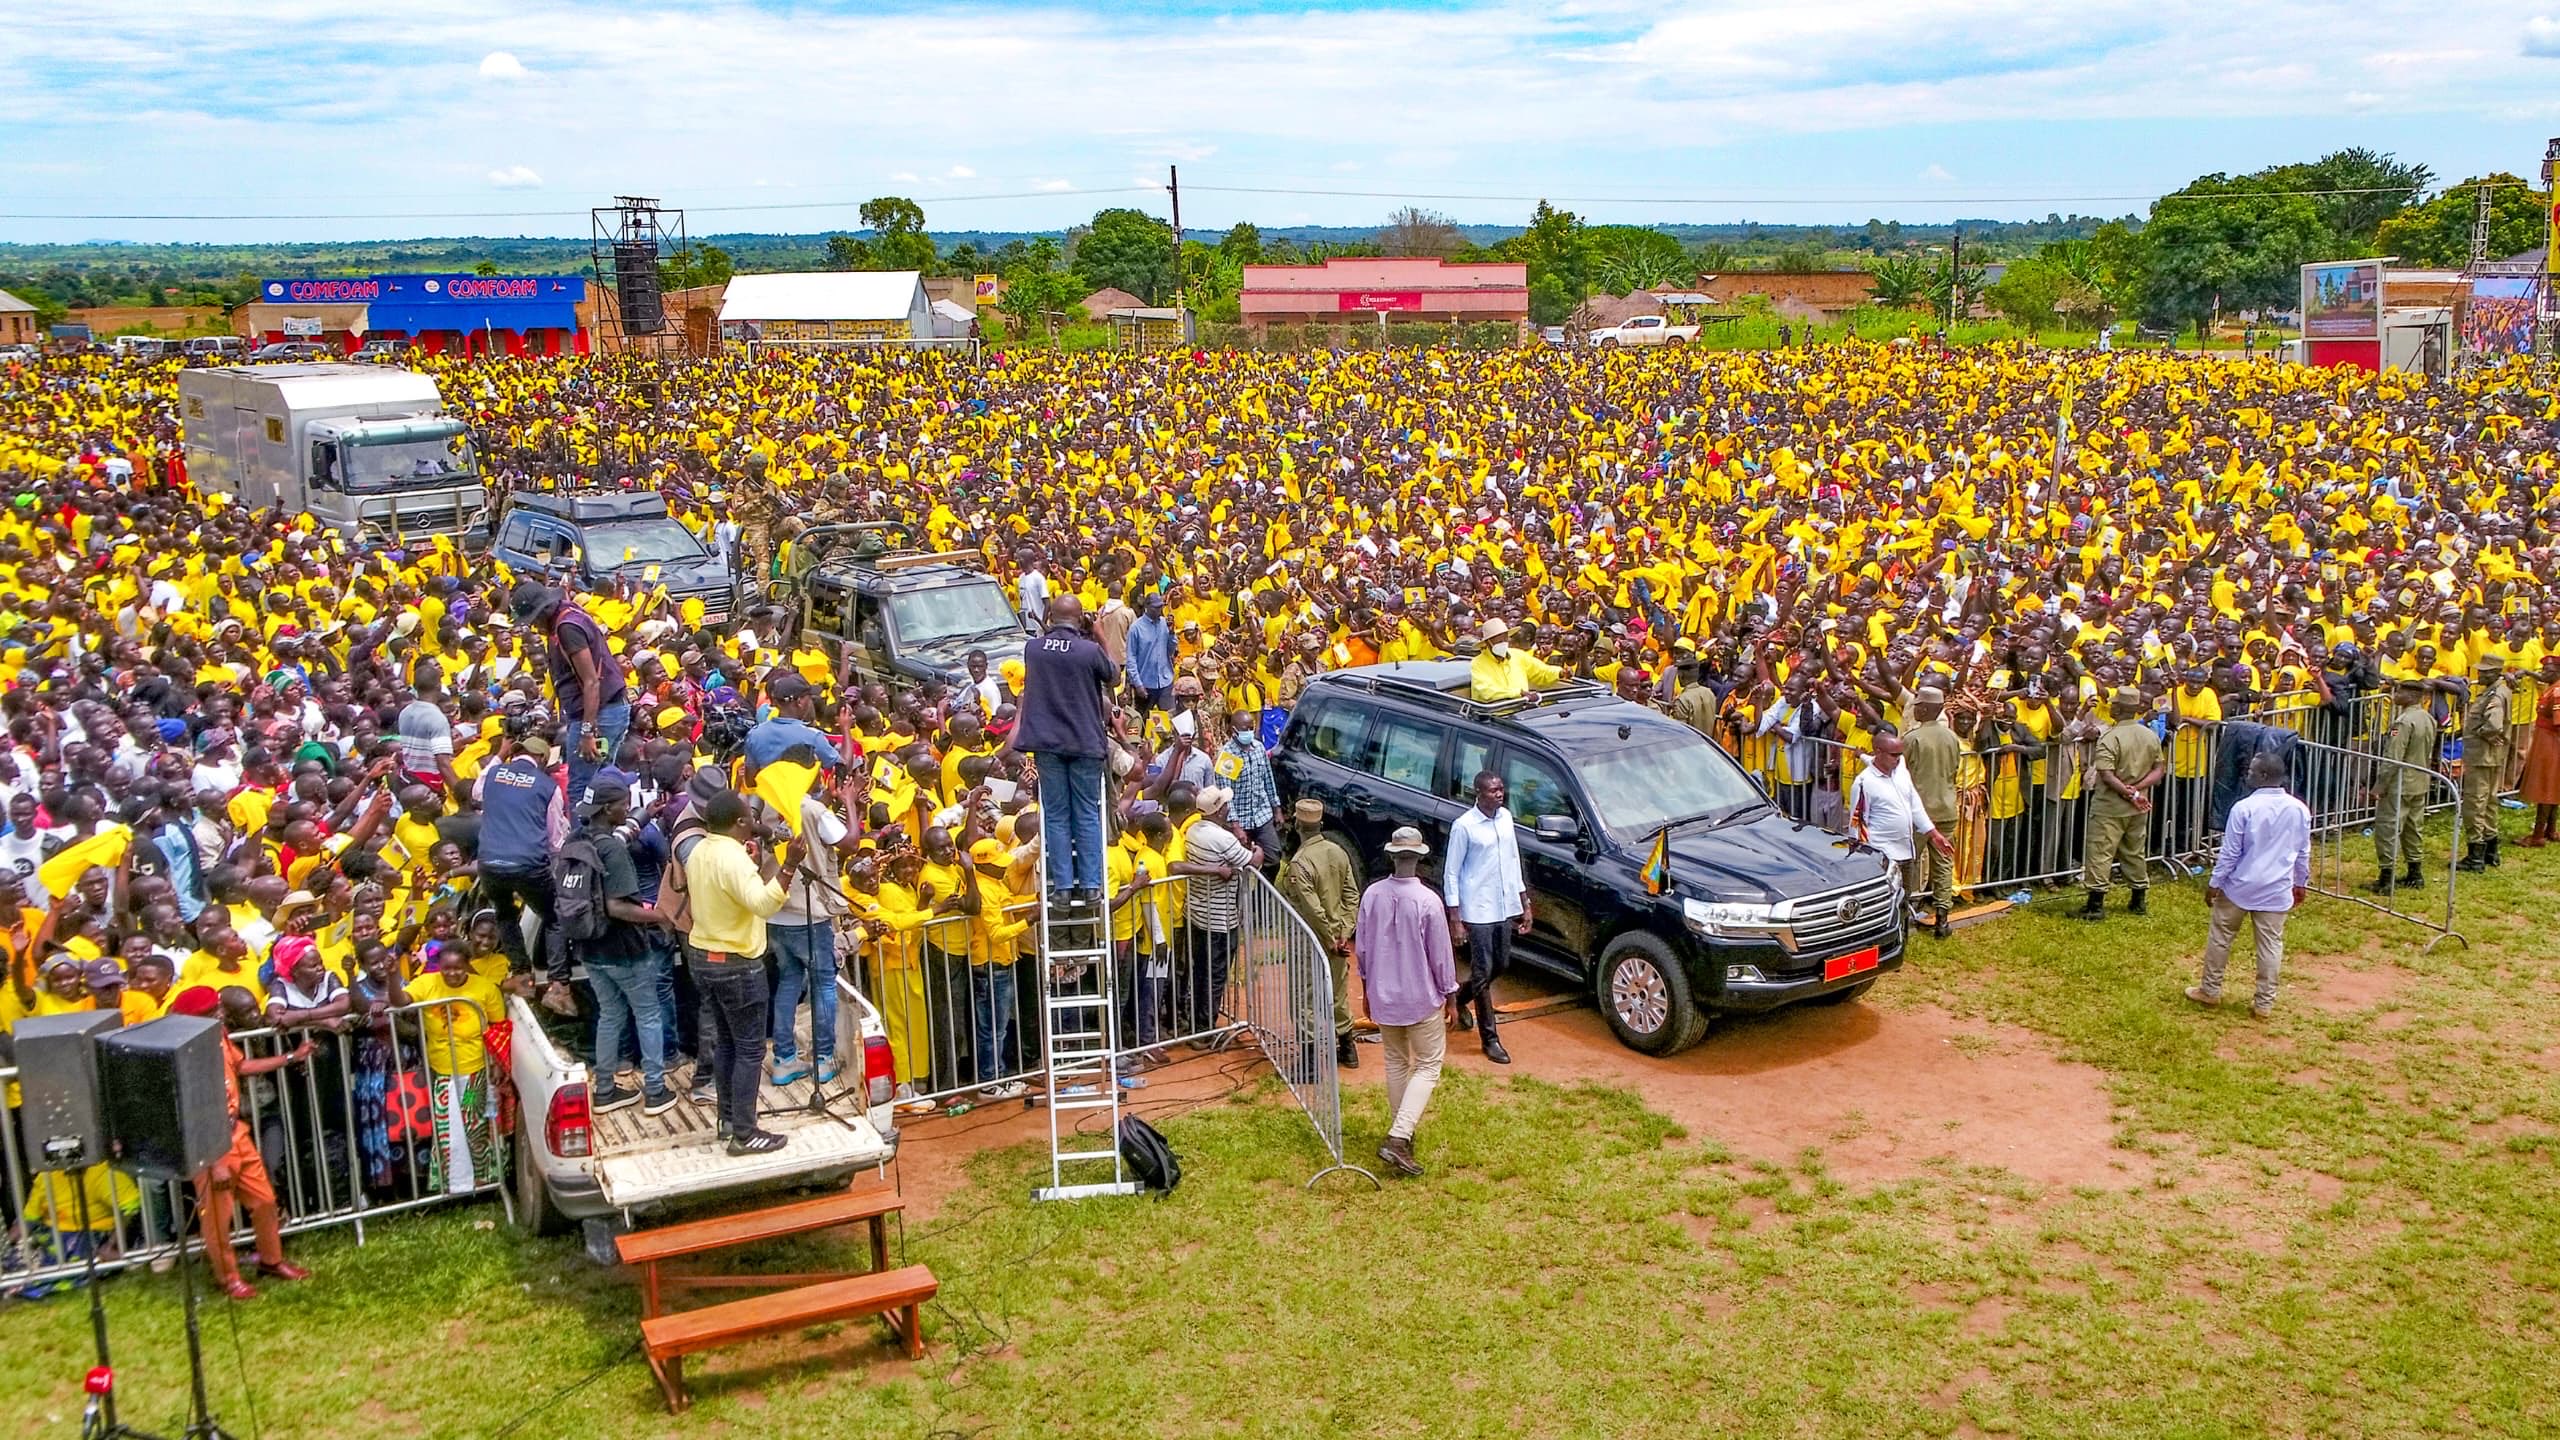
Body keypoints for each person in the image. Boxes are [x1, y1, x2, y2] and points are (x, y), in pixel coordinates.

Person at [167, 985, 312, 1300]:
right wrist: (215, 1162)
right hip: (210, 1144)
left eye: (218, 1008)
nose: (220, 1014)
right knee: (219, 1219)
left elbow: (241, 1066)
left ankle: (271, 1261)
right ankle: (227, 1278)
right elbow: (195, 1111)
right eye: (211, 1011)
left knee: (264, 1200)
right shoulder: (185, 1053)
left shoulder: (217, 1035)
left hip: (237, 1133)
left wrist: (289, 1057)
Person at [683, 788, 799, 1154]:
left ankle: (728, 1120)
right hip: (737, 964)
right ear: (738, 823)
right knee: (749, 1050)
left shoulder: (701, 849)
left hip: (704, 958)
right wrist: (790, 865)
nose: (755, 822)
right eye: (750, 817)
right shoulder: (732, 859)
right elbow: (763, 904)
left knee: (728, 1044)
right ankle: (746, 1134)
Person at [1356, 826, 1459, 1178]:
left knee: (1396, 1063)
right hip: (1420, 999)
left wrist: (1367, 988)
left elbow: (1363, 948)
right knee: (1429, 1065)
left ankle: (1403, 1133)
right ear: (1418, 858)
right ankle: (1399, 1136)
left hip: (1383, 994)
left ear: (1392, 856)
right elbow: (1441, 956)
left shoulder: (1372, 895)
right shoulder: (1428, 901)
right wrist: (1451, 995)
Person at [573, 777, 675, 1116]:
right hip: (624, 950)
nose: (625, 807)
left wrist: (642, 816)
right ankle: (656, 1091)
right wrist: (659, 916)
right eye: (623, 803)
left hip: (590, 949)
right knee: (648, 1014)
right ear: (608, 808)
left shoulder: (579, 838)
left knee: (610, 1015)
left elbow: (618, 835)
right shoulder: (614, 851)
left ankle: (604, 1090)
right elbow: (617, 907)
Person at [2187, 753, 2310, 1019]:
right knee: (2270, 945)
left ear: (2264, 776)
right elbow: (2303, 851)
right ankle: (2264, 1004)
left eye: (2252, 771)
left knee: (2221, 937)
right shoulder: (2299, 808)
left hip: (2239, 887)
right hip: (2277, 888)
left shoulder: (2244, 808)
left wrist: (2215, 882)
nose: (2247, 774)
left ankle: (2210, 990)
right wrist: (2301, 882)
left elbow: (2230, 853)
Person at [1015, 594, 1120, 904]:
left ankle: (1062, 888)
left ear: (1050, 617)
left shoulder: (1033, 649)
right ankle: (1090, 886)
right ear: (1080, 619)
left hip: (1047, 743)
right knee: (1087, 813)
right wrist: (1099, 633)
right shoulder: (1088, 651)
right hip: (1084, 742)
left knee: (1057, 815)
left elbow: (1054, 646)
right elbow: (1113, 674)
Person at [512, 579, 632, 803]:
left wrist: (587, 732)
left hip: (599, 713)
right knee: (603, 781)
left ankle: (584, 838)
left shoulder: (567, 628)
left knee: (581, 789)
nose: (535, 626)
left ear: (545, 611)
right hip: (610, 709)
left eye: (534, 619)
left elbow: (591, 682)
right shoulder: (568, 613)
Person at [1444, 770, 1531, 1063]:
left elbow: (1513, 861)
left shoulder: (1506, 818)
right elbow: (1452, 873)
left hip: (1503, 906)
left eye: (1501, 789)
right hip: (1477, 908)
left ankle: (1458, 997)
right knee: (1483, 971)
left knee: (1502, 963)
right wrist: (1455, 918)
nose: (1499, 794)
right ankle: (1490, 1038)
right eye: (1493, 790)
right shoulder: (1464, 827)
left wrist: (1524, 902)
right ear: (1478, 794)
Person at [1277, 797, 1360, 1067]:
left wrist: (1328, 937)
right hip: (1338, 938)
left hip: (1309, 939)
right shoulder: (1337, 851)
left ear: (1297, 825)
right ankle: (1348, 1049)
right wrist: (1343, 933)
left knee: (1305, 997)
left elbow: (1312, 910)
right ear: (1320, 823)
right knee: (1337, 993)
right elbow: (1352, 896)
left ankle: (1310, 1062)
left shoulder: (1300, 864)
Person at [1849, 732, 1956, 938]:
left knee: (1903, 897)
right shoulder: (1864, 783)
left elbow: (1915, 805)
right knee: (1884, 901)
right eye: (1893, 754)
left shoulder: (1901, 771)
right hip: (1882, 854)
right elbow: (1857, 823)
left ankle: (1901, 939)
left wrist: (1934, 834)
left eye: (1900, 753)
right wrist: (1863, 856)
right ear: (1878, 752)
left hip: (1906, 851)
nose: (1898, 758)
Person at [2080, 688, 2164, 921]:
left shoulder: (2111, 736)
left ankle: (2095, 905)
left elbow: (2106, 774)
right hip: (2138, 806)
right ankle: (2138, 899)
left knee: (2100, 851)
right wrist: (2138, 791)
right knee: (2134, 850)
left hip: (2110, 806)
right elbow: (2159, 769)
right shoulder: (2149, 735)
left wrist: (2128, 792)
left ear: (2117, 709)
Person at [1898, 686, 1964, 930]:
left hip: (1919, 812)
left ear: (1925, 708)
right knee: (1943, 862)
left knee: (1910, 862)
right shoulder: (1951, 737)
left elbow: (1900, 773)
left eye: (1917, 706)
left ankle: (1907, 915)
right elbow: (1954, 769)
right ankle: (1942, 917)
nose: (1914, 709)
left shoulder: (1913, 738)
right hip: (1946, 808)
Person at [2370, 676, 2438, 894]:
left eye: (2399, 692)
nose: (2395, 695)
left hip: (2400, 783)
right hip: (2420, 781)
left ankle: (2386, 877)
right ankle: (2415, 872)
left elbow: (2393, 757)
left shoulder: (2403, 722)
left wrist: (2380, 785)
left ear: (2410, 696)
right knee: (2413, 828)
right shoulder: (2427, 718)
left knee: (2389, 828)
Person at [2458, 654, 2514, 872]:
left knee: (2475, 803)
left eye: (2483, 671)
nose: (2479, 675)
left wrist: (2480, 731)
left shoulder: (2495, 695)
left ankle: (2476, 855)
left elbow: (2493, 724)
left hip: (2482, 756)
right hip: (2490, 756)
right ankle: (2491, 849)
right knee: (2489, 801)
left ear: (2494, 673)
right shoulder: (2499, 690)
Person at [2520, 656, 2560, 847]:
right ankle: (2550, 829)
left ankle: (2538, 835)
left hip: (2550, 743)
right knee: (2552, 786)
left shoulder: (2557, 692)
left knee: (2545, 787)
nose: (2543, 673)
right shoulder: (2552, 688)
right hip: (2546, 740)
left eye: (2547, 671)